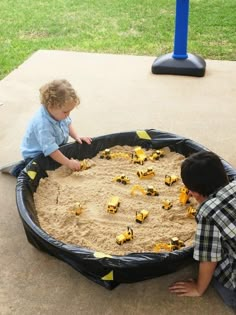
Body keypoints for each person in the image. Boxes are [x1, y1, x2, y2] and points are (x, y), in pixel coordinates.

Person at [169, 151, 236, 309]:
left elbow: (209, 258)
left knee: (218, 278)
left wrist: (199, 288)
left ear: (195, 193)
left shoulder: (207, 211)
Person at [10, 79, 92, 177]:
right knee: (38, 173)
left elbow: (68, 124)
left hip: (55, 145)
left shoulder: (59, 113)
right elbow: (51, 150)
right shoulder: (43, 124)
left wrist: (77, 137)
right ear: (51, 106)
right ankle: (18, 168)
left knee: (61, 160)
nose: (68, 115)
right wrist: (68, 163)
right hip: (37, 154)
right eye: (66, 112)